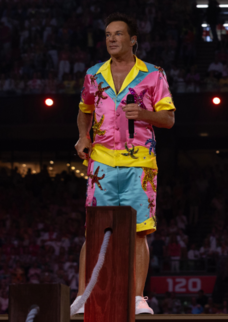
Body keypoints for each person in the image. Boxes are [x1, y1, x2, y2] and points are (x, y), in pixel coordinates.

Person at [72, 12, 175, 316]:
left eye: (118, 34)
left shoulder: (154, 74)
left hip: (139, 162)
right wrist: (82, 136)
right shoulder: (93, 74)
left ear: (133, 40)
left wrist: (144, 115)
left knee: (139, 232)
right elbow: (84, 110)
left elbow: (168, 118)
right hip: (101, 163)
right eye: (107, 35)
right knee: (93, 232)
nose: (112, 39)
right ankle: (82, 297)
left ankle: (138, 298)